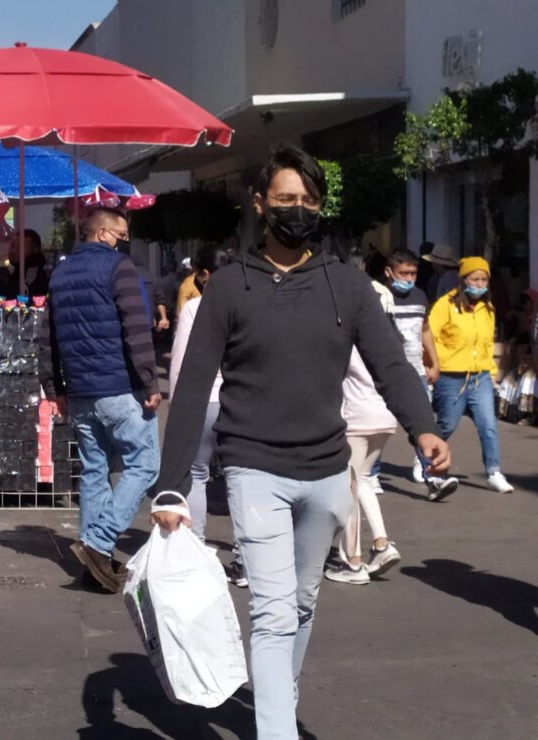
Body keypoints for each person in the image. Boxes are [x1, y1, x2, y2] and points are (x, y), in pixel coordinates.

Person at [150, 144, 449, 739]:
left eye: (309, 201)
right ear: (260, 205)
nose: (298, 210)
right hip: (252, 468)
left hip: (328, 474)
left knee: (303, 602)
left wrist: (424, 427)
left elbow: (390, 361)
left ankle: (277, 696)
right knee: (272, 609)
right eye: (286, 199)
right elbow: (191, 392)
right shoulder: (230, 286)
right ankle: (277, 730)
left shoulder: (347, 285)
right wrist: (171, 487)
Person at [39, 207, 161, 593]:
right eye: (121, 234)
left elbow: (49, 337)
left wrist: (53, 387)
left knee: (95, 470)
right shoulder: (118, 268)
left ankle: (97, 564)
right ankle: (98, 542)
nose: (123, 241)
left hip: (80, 391)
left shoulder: (59, 274)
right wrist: (150, 380)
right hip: (119, 386)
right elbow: (136, 327)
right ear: (104, 233)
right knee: (145, 464)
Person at [167, 245, 247, 586]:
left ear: (204, 275)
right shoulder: (249, 306)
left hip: (203, 402)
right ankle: (245, 560)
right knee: (241, 479)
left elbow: (181, 362)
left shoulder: (195, 309)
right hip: (241, 402)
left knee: (197, 475)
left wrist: (177, 407)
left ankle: (197, 548)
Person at [325, 282, 403, 585]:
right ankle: (381, 544)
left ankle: (354, 563)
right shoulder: (390, 339)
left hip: (356, 420)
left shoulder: (354, 339)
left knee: (349, 490)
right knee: (363, 481)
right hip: (384, 419)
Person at [429, 256, 514, 493]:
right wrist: (433, 364)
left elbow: (487, 344)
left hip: (480, 376)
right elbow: (429, 336)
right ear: (463, 279)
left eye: (484, 279)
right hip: (451, 376)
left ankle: (494, 471)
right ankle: (426, 459)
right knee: (446, 425)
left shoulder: (488, 308)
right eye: (475, 279)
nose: (479, 284)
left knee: (488, 424)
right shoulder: (445, 305)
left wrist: (493, 373)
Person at [381, 248, 457, 499]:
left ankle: (430, 474)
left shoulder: (420, 296)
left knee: (423, 423)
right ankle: (369, 473)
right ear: (389, 272)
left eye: (413, 273)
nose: (409, 278)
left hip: (415, 372)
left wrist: (433, 362)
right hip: (383, 374)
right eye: (404, 273)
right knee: (377, 427)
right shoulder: (379, 298)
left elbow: (425, 330)